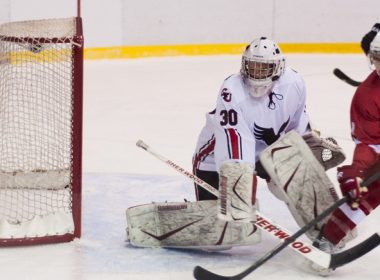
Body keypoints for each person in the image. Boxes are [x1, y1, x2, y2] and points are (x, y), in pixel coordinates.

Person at [193, 37, 344, 238]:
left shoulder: (294, 83)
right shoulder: (232, 89)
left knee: (299, 179)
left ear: (278, 67)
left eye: (264, 67)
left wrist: (306, 155)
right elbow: (234, 138)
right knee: (227, 232)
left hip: (269, 152)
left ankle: (327, 230)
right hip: (217, 158)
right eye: (252, 65)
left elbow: (297, 125)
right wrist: (239, 188)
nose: (257, 71)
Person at [321, 28, 380, 247]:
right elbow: (370, 142)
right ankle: (328, 240)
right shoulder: (367, 96)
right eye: (378, 59)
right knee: (367, 188)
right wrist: (359, 168)